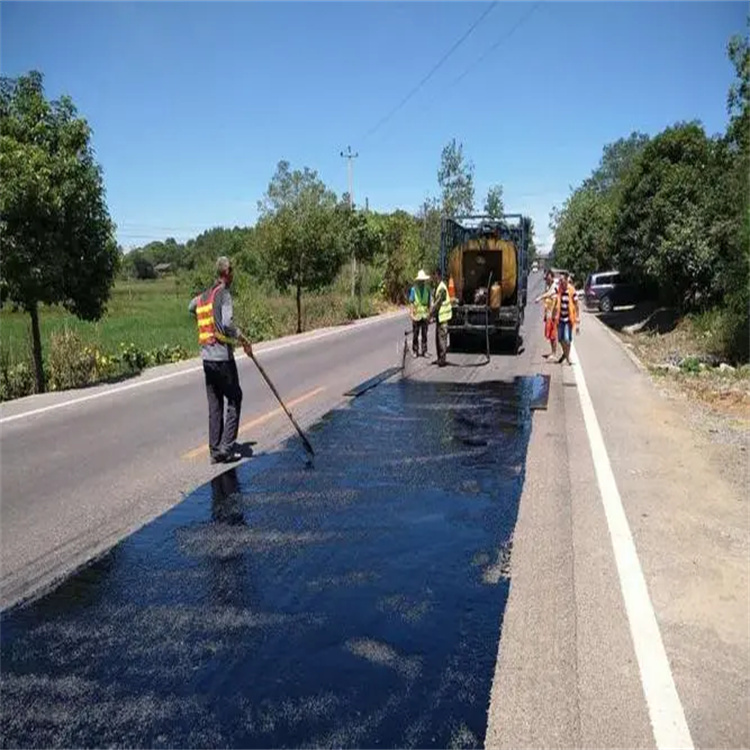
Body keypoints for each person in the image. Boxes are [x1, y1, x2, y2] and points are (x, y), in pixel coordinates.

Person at [189, 256, 253, 464]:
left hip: (207, 358)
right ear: (227, 273)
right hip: (222, 358)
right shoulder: (224, 294)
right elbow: (226, 324)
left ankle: (215, 451)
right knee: (235, 398)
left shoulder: (203, 296)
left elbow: (191, 307)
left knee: (215, 403)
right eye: (232, 273)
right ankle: (226, 448)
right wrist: (242, 337)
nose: (232, 276)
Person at [551, 272, 580, 365]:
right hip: (560, 318)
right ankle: (566, 354)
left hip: (568, 319)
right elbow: (554, 299)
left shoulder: (571, 290)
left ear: (567, 280)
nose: (561, 281)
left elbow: (576, 304)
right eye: (560, 280)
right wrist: (553, 315)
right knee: (560, 339)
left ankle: (567, 358)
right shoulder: (558, 289)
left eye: (562, 279)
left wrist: (578, 317)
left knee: (567, 339)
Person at [429, 267, 453, 367]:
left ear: (437, 275)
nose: (432, 278)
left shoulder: (442, 288)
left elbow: (438, 303)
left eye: (433, 276)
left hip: (443, 319)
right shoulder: (438, 287)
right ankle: (440, 358)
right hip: (440, 318)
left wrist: (430, 315)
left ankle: (442, 360)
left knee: (442, 339)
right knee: (438, 339)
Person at [534, 269, 559, 359]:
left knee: (553, 335)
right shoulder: (548, 286)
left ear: (552, 278)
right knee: (550, 335)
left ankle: (554, 353)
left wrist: (540, 297)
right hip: (549, 314)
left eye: (549, 279)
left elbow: (550, 294)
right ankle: (552, 352)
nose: (547, 281)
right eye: (546, 279)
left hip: (553, 315)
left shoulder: (555, 286)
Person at [409, 269, 432, 357]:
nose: (422, 282)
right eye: (420, 280)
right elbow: (411, 302)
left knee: (424, 334)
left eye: (423, 280)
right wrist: (411, 314)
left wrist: (429, 314)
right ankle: (415, 351)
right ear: (418, 281)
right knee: (415, 334)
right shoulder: (413, 290)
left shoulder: (427, 289)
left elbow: (429, 302)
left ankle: (424, 351)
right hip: (416, 316)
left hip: (425, 315)